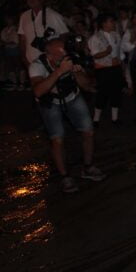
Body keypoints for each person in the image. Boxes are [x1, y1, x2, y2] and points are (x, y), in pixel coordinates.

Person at [29, 38, 105, 193]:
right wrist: (59, 71)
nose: (65, 58)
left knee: (88, 131)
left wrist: (77, 73)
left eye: (66, 55)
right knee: (57, 139)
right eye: (60, 56)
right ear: (49, 55)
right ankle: (65, 176)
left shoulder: (71, 60)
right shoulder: (37, 66)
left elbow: (86, 86)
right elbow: (38, 91)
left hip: (72, 97)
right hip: (50, 101)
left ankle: (88, 167)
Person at [17, 0, 69, 68]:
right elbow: (22, 39)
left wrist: (55, 51)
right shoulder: (24, 16)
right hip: (31, 62)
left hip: (52, 63)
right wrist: (24, 58)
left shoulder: (54, 15)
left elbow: (65, 35)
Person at [88, 14, 124, 126]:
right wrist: (106, 53)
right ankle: (96, 119)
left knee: (116, 92)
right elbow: (94, 55)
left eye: (113, 21)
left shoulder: (116, 35)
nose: (113, 23)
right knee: (102, 93)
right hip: (103, 70)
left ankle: (115, 119)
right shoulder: (95, 37)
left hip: (115, 67)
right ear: (104, 24)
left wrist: (119, 60)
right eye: (111, 21)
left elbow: (120, 50)